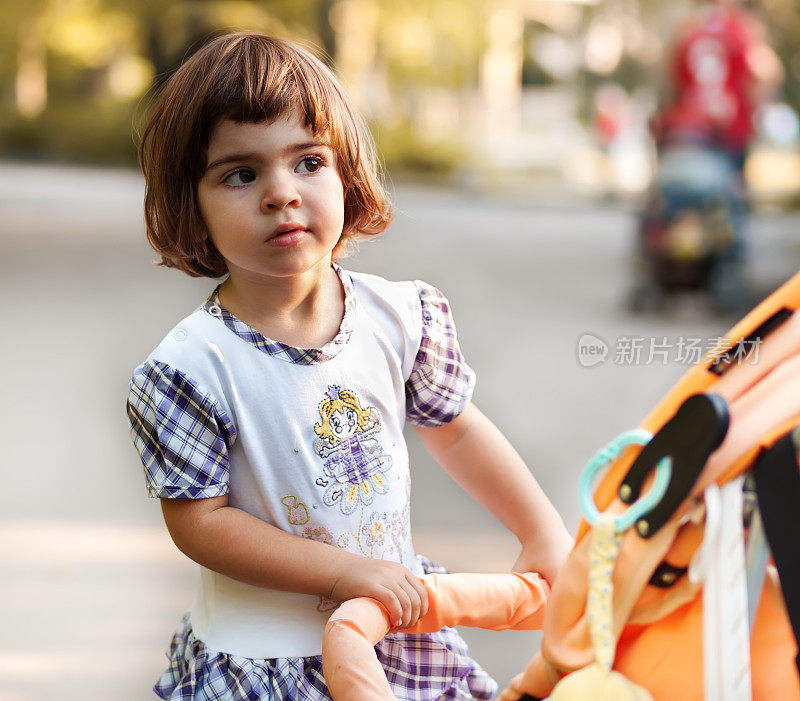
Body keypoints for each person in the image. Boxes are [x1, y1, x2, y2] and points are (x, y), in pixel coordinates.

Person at [127, 32, 573, 700]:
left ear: (346, 173)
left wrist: (542, 530)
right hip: (266, 663)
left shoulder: (399, 317)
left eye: (308, 161)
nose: (282, 193)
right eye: (241, 174)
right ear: (194, 207)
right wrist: (341, 572)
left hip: (391, 629)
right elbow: (201, 520)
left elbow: (455, 427)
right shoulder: (193, 368)